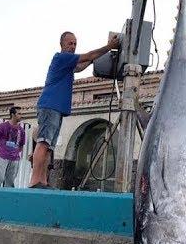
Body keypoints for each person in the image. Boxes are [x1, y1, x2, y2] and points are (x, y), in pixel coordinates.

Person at [29, 31, 120, 189]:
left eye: (75, 44)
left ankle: (42, 181)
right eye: (70, 43)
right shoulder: (61, 57)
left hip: (56, 108)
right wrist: (109, 47)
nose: (72, 46)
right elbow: (88, 56)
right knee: (43, 143)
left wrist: (94, 58)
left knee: (49, 147)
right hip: (50, 105)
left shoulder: (68, 65)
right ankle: (34, 181)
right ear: (62, 44)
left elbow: (82, 65)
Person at [0, 106, 26, 188]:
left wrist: (15, 153)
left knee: (10, 182)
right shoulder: (2, 126)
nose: (21, 115)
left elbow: (21, 145)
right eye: (19, 114)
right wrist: (2, 151)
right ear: (13, 115)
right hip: (2, 157)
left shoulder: (21, 130)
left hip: (15, 159)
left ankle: (7, 199)